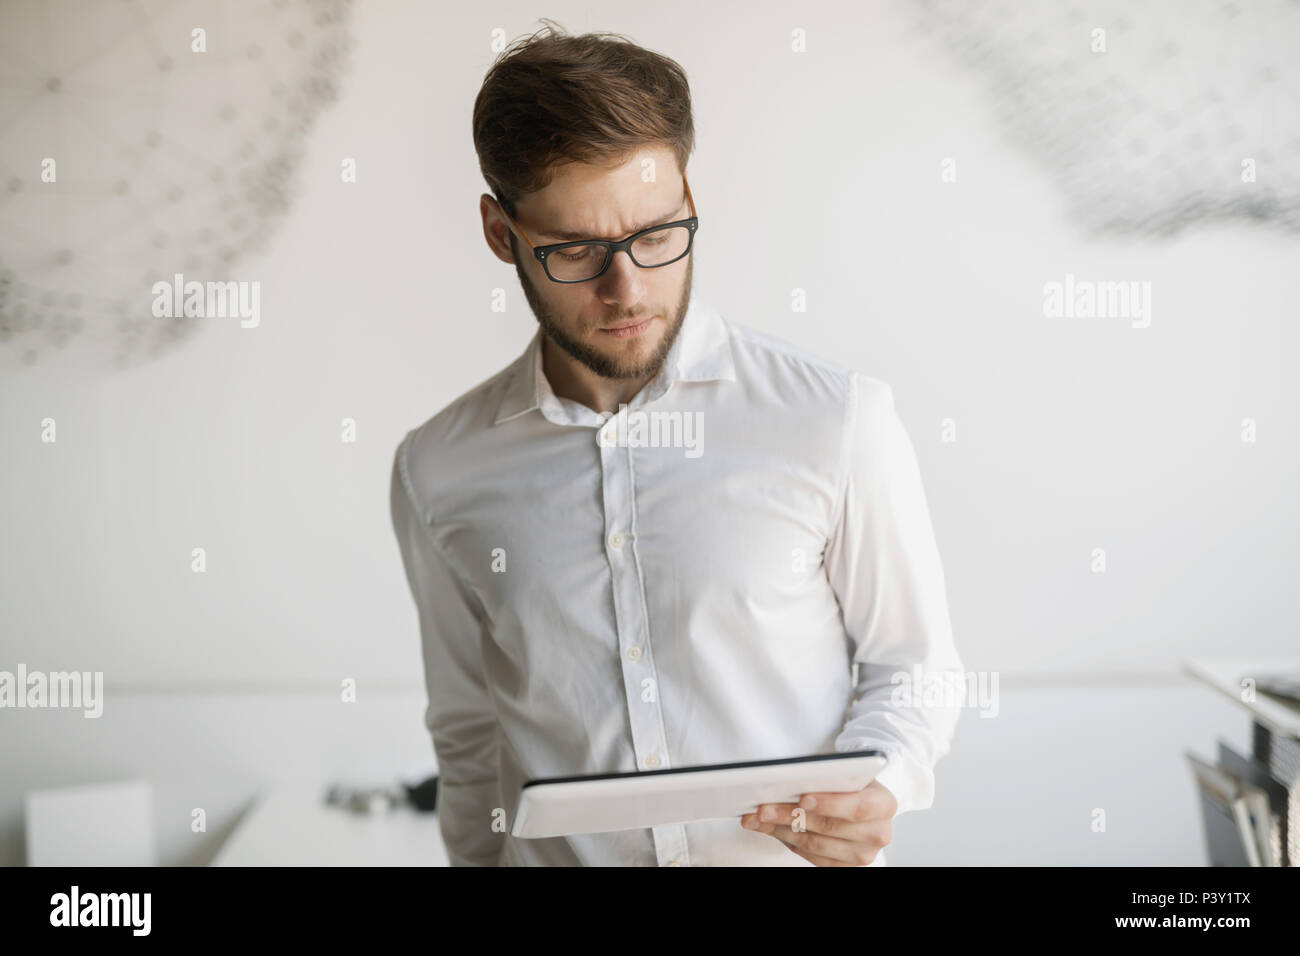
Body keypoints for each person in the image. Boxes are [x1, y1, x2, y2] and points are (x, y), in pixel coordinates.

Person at [390, 21, 964, 866]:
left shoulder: (834, 420)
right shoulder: (437, 469)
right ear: (500, 233)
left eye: (656, 235)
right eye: (578, 250)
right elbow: (468, 729)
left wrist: (888, 780)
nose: (628, 290)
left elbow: (913, 664)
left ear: (690, 201)